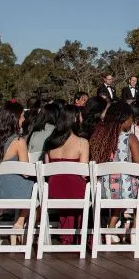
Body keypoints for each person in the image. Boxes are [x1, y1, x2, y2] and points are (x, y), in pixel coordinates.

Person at [89, 101, 139, 244]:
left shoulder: (98, 138)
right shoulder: (130, 138)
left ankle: (111, 227)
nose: (132, 122)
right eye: (131, 118)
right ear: (124, 119)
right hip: (126, 190)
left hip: (103, 190)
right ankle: (134, 228)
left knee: (117, 186)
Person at [0, 101, 35, 243]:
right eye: (22, 117)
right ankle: (19, 224)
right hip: (18, 193)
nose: (24, 120)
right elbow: (26, 172)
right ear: (14, 119)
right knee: (37, 194)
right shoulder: (19, 142)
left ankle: (18, 226)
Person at [43, 104, 90, 244]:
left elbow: (47, 169)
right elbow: (83, 173)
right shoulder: (82, 142)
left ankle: (65, 235)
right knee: (82, 187)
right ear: (75, 119)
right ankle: (78, 235)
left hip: (53, 190)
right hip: (75, 192)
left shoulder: (49, 142)